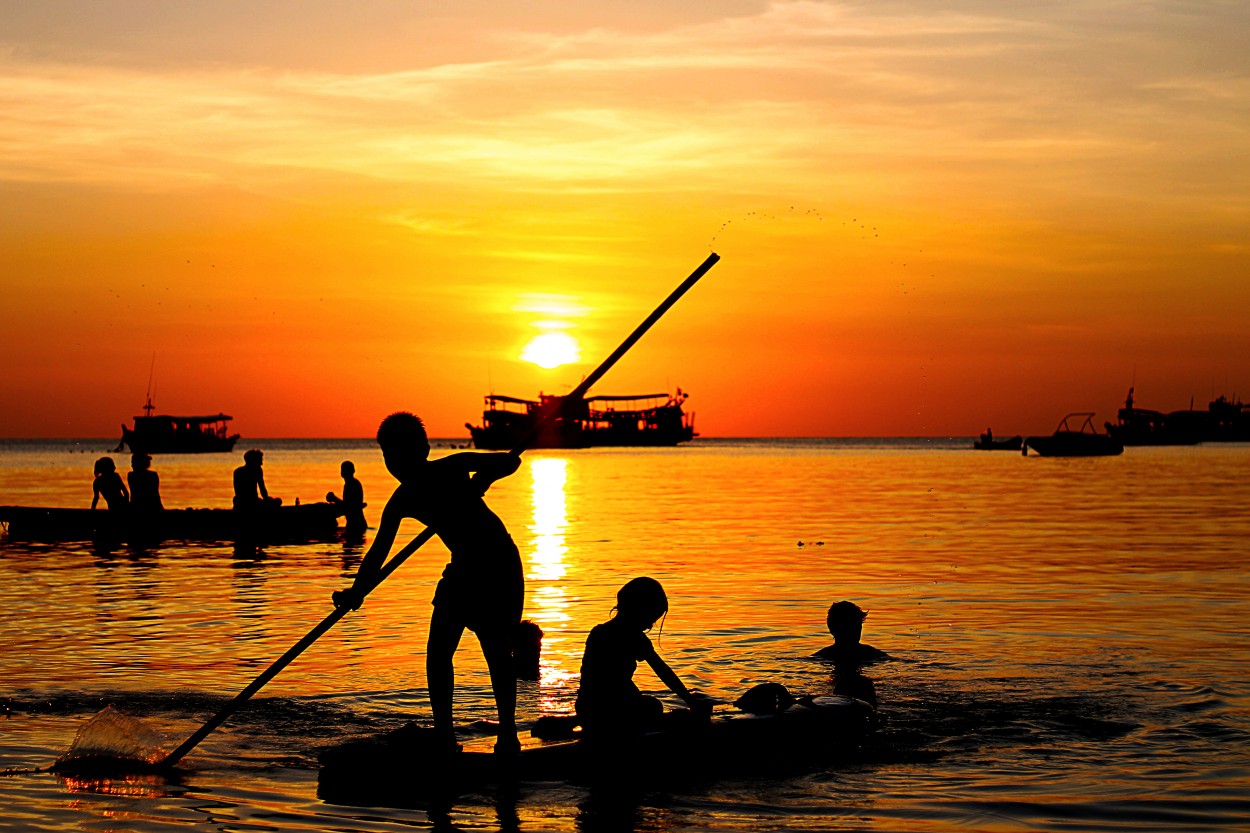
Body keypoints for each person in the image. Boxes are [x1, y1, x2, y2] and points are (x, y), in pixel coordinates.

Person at [333, 411, 524, 755]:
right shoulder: (402, 499)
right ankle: (444, 735)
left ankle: (508, 733)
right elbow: (377, 553)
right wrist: (355, 592)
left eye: (399, 453)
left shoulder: (451, 466)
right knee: (438, 653)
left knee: (496, 650)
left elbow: (511, 463)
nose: (394, 462)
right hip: (463, 567)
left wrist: (484, 477)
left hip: (498, 564)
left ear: (421, 449)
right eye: (388, 455)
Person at [575, 576, 709, 738]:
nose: (650, 625)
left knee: (640, 699)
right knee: (652, 706)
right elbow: (662, 670)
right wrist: (689, 700)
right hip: (610, 708)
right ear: (639, 610)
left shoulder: (598, 631)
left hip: (585, 706)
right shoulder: (633, 637)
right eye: (651, 619)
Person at [813, 600, 889, 666]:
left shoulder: (821, 657)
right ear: (832, 628)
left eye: (856, 626)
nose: (854, 632)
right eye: (848, 627)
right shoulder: (872, 654)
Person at [326, 460, 366, 534]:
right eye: (343, 470)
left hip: (356, 524)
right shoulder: (349, 484)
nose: (343, 472)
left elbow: (349, 506)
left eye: (345, 470)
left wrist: (334, 499)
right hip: (353, 523)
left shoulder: (353, 484)